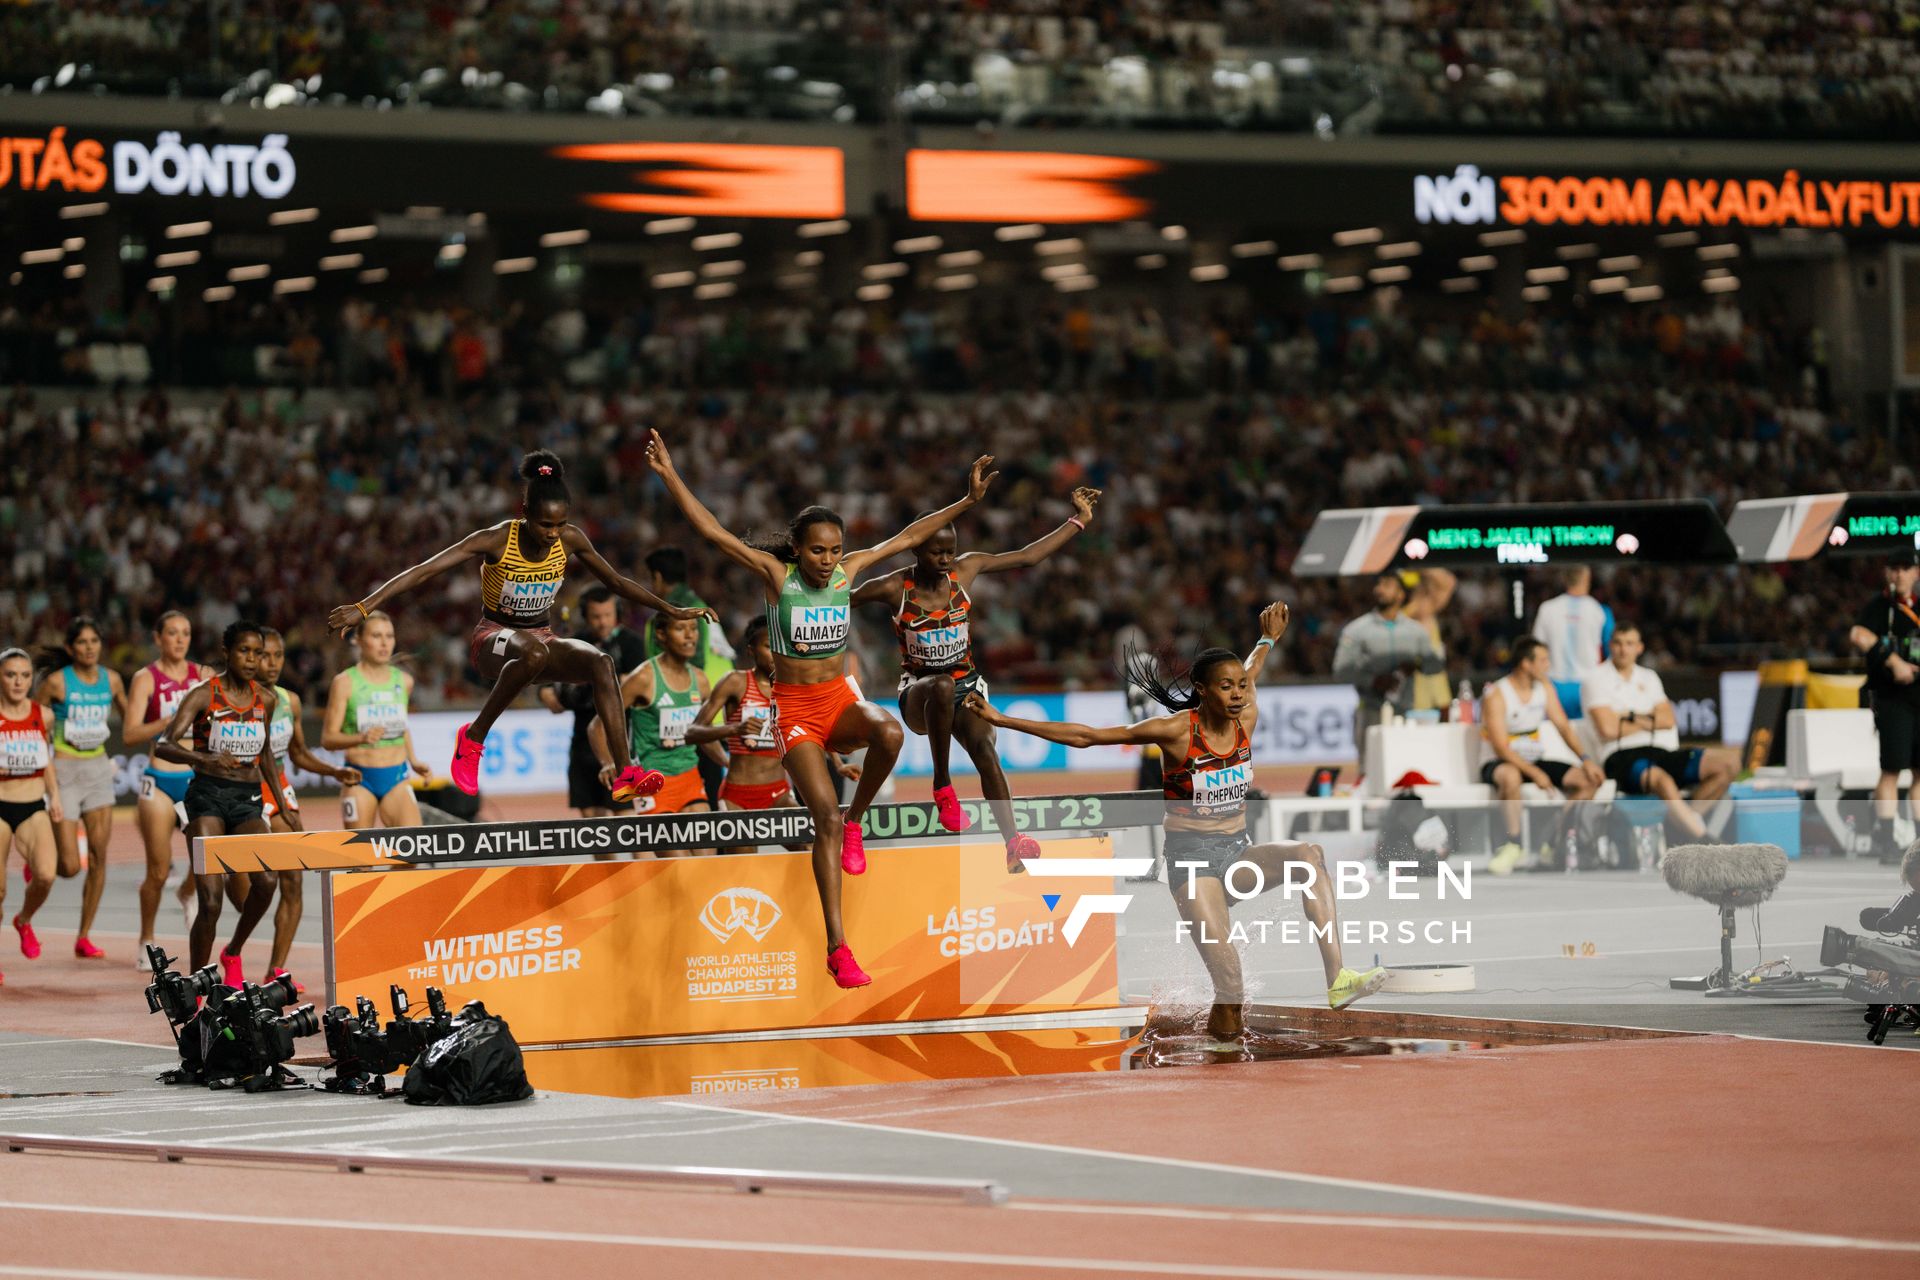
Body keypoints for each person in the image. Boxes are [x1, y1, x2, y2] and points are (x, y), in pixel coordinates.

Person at [646, 428, 997, 988]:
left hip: (837, 698)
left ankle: (858, 824)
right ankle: (838, 948)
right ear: (797, 547)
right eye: (817, 550)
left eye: (834, 549)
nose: (827, 559)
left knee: (888, 735)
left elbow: (910, 534)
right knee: (823, 817)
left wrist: (968, 502)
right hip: (796, 709)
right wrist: (669, 475)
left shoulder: (848, 572)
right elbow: (712, 532)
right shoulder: (775, 576)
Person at [964, 604, 1388, 1040]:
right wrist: (1003, 719)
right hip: (1192, 866)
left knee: (1308, 855)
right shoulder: (1176, 732)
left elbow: (1252, 667)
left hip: (1238, 853)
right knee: (1230, 986)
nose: (1238, 693)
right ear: (1202, 690)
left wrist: (1267, 639)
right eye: (1226, 687)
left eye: (1241, 686)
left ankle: (1337, 979)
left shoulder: (1246, 717)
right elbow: (1087, 737)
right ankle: (1220, 1055)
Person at [325, 450, 713, 799]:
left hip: (540, 637)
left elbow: (616, 582)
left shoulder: (571, 540)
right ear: (524, 513)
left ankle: (627, 771)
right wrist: (364, 606)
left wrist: (670, 608)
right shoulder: (495, 539)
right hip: (492, 640)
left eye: (560, 525)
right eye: (545, 525)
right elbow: (424, 571)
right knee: (534, 651)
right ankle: (472, 738)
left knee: (601, 663)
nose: (552, 534)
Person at [850, 487, 1101, 868]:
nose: (945, 559)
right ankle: (942, 786)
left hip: (967, 689)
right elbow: (838, 597)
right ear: (915, 548)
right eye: (936, 552)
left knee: (985, 750)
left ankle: (1013, 843)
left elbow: (1028, 557)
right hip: (918, 695)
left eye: (950, 551)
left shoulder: (964, 571)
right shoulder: (891, 587)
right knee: (941, 684)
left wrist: (1078, 521)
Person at [150, 622, 294, 981]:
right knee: (211, 901)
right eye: (244, 651)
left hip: (247, 800)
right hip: (207, 799)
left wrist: (284, 807)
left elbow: (265, 759)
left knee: (267, 881)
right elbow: (163, 744)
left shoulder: (268, 699)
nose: (252, 659)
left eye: (258, 653)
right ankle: (197, 985)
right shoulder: (203, 695)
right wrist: (204, 760)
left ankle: (232, 951)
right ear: (227, 652)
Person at [258, 627, 360, 988]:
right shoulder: (241, 700)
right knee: (254, 891)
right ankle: (234, 951)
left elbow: (298, 753)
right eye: (263, 656)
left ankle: (276, 970)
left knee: (293, 881)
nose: (271, 664)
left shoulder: (291, 700)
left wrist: (335, 771)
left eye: (278, 656)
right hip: (246, 793)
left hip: (281, 790)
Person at [1582, 623, 1737, 842]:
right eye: (1617, 643)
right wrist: (1649, 718)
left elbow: (1667, 720)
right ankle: (1703, 838)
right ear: (1609, 646)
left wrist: (1628, 717)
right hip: (1621, 756)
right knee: (1662, 781)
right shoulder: (1595, 679)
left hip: (1659, 751)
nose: (1623, 649)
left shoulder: (1649, 677)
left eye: (1629, 644)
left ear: (1640, 648)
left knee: (1728, 764)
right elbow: (1607, 729)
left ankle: (1683, 823)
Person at [33, 618, 128, 959]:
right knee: (70, 867)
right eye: (83, 643)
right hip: (65, 771)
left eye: (94, 641)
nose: (90, 647)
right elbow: (33, 722)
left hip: (98, 770)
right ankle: (37, 858)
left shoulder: (112, 679)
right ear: (71, 648)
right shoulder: (57, 683)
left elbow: (130, 721)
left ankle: (84, 936)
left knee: (100, 857)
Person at [589, 614, 718, 854]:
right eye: (681, 628)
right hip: (651, 782)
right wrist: (608, 763)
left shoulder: (699, 680)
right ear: (661, 635)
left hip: (689, 778)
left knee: (708, 862)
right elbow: (597, 725)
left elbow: (704, 734)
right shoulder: (644, 678)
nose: (690, 636)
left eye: (693, 628)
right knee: (676, 868)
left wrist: (727, 763)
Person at [1480, 637, 1606, 876]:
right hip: (1500, 762)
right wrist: (1534, 773)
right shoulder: (1497, 693)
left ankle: (1553, 840)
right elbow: (1500, 747)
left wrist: (1586, 759)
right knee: (1510, 776)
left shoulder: (1545, 688)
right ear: (1526, 664)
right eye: (1543, 660)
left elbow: (1564, 727)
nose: (1548, 665)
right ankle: (1513, 845)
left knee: (1589, 780)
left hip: (1533, 759)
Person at [123, 610, 205, 961]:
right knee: (157, 871)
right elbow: (129, 734)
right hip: (159, 779)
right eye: (172, 632)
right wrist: (169, 720)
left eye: (185, 632)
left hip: (195, 778)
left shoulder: (203, 676)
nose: (180, 639)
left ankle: (188, 893)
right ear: (158, 638)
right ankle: (146, 939)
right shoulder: (146, 678)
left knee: (204, 860)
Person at [540, 586, 647, 818]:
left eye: (608, 615)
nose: (603, 622)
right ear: (585, 616)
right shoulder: (574, 643)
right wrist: (548, 692)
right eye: (596, 616)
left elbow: (635, 689)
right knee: (592, 820)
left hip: (620, 742)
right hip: (582, 743)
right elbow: (550, 690)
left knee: (626, 815)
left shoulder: (632, 644)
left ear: (617, 613)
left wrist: (582, 685)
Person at [642, 547, 737, 805]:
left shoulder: (670, 616)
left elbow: (679, 666)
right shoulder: (703, 608)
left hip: (688, 713)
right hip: (719, 709)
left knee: (683, 802)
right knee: (714, 794)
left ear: (658, 577)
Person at [322, 610, 431, 832]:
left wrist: (414, 760)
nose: (384, 643)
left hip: (397, 778)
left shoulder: (404, 681)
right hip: (360, 779)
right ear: (358, 640)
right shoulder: (344, 682)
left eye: (389, 636)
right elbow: (328, 739)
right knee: (361, 861)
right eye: (376, 636)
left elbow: (402, 726)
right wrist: (361, 737)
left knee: (412, 855)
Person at [1849, 553, 1920, 862]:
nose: (1900, 574)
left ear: (1916, 572)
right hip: (1892, 699)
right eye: (1895, 568)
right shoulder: (1880, 607)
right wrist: (1893, 662)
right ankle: (1888, 840)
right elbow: (1858, 634)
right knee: (1891, 770)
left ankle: (1917, 845)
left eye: (1906, 568)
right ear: (1888, 572)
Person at [2, 647, 64, 981]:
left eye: (25, 675)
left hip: (32, 802)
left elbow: (46, 757)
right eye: (11, 674)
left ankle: (23, 920)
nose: (18, 682)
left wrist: (54, 795)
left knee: (46, 874)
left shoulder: (43, 714)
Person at [1331, 570, 1446, 748]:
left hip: (1407, 711)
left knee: (1406, 765)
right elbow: (1341, 672)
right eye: (1378, 584)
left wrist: (1415, 664)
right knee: (1369, 768)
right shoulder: (1356, 630)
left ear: (1400, 594)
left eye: (1387, 585)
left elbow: (1435, 665)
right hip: (1370, 710)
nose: (1380, 589)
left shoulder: (1415, 631)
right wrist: (1372, 680)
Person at [1531, 566, 1613, 718]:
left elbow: (1536, 650)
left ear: (1564, 580)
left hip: (1555, 685)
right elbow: (1611, 650)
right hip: (1589, 684)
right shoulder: (1600, 611)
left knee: (1556, 735)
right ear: (1587, 579)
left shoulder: (1547, 609)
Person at [1404, 568, 1459, 715]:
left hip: (1436, 685)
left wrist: (1420, 565)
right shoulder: (1404, 613)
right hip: (1413, 689)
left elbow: (1449, 582)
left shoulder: (1428, 607)